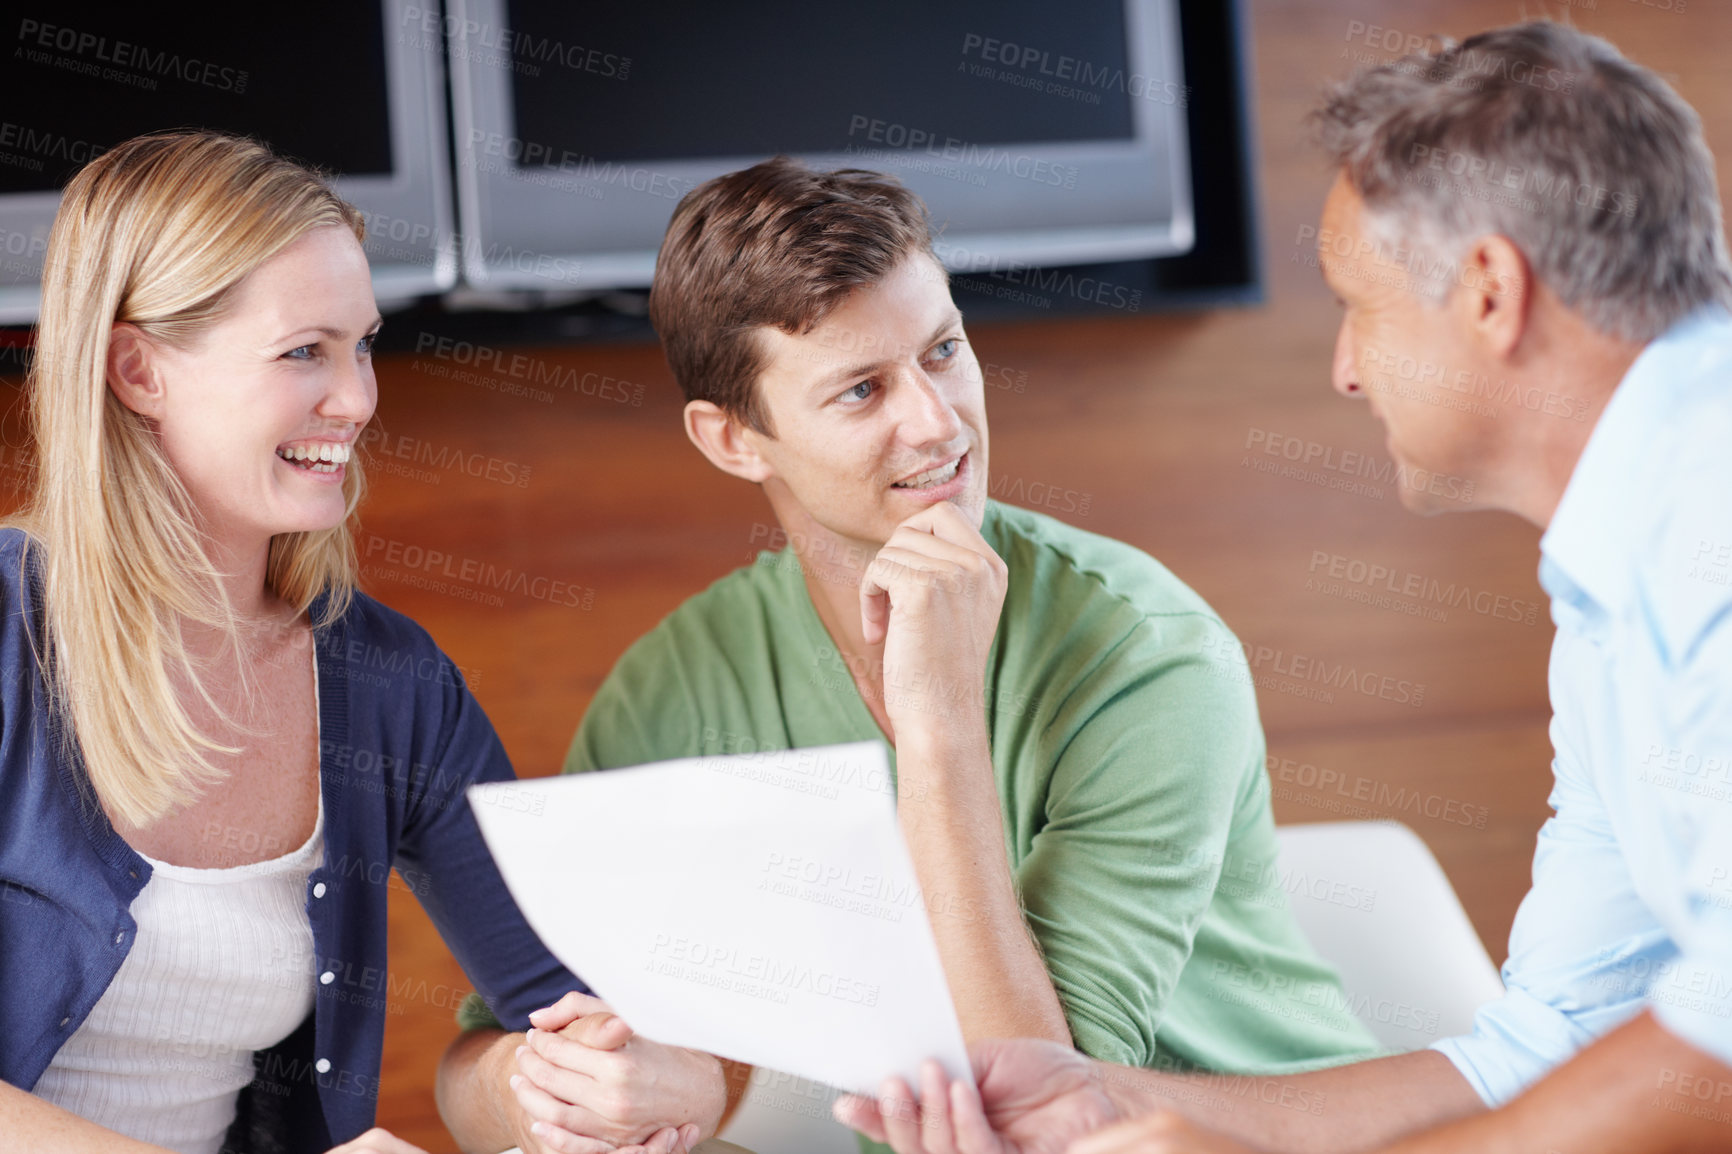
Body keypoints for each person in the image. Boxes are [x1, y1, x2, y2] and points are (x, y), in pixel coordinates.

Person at [833, 20, 1732, 1154]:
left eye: (1359, 305)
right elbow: (1543, 1052)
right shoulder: (1609, 585)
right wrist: (1108, 1100)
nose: (1344, 366)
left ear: (1491, 292)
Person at [441, 158, 1379, 1151]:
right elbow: (484, 1064)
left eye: (943, 350)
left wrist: (937, 723)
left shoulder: (1146, 652)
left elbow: (1035, 1109)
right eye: (859, 390)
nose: (937, 421)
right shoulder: (675, 689)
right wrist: (557, 1091)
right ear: (731, 440)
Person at [0, 130, 725, 1154]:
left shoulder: (387, 680)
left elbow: (560, 1000)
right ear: (137, 370)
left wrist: (615, 1083)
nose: (359, 398)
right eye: (305, 350)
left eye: (364, 343)